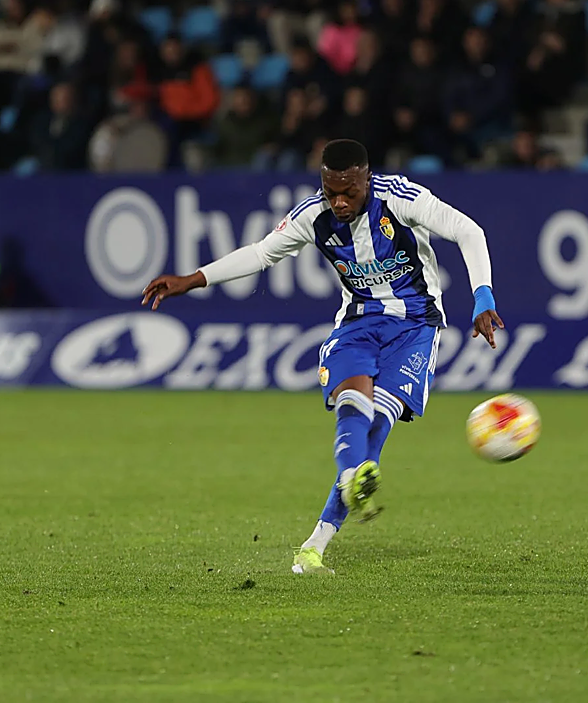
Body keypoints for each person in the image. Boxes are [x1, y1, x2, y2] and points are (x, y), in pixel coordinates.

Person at [140, 139, 504, 573]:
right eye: (331, 190)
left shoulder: (401, 198)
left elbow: (469, 231)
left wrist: (482, 297)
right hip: (357, 324)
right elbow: (260, 254)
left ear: (366, 179)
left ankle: (314, 543)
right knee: (353, 405)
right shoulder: (313, 216)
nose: (340, 201)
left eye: (349, 191)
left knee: (374, 435)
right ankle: (349, 483)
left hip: (415, 328)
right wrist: (193, 280)